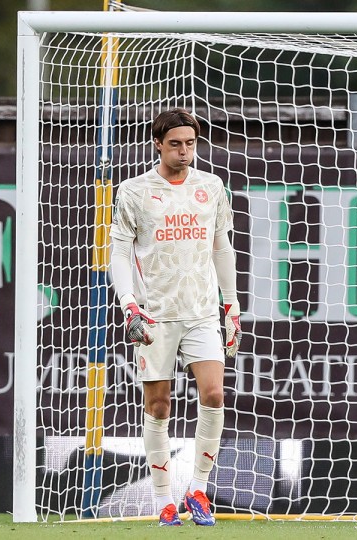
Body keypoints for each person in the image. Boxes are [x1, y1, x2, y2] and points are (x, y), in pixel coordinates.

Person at [109, 108, 240, 527]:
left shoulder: (211, 186)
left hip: (202, 311)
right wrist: (129, 303)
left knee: (214, 394)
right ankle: (164, 500)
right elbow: (120, 252)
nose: (184, 152)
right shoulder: (134, 190)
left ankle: (198, 490)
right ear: (158, 145)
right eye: (176, 144)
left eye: (190, 144)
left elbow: (221, 246)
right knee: (159, 404)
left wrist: (232, 304)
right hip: (154, 315)